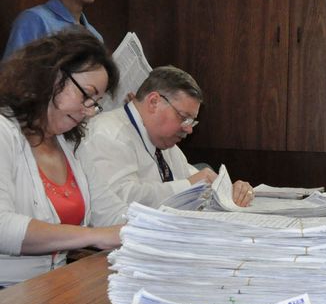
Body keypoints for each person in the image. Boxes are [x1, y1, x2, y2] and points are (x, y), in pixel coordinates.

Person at [0, 30, 127, 285]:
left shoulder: (71, 144)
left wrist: (164, 227)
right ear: (52, 76)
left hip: (54, 287)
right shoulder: (4, 131)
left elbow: (111, 213)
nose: (90, 112)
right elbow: (3, 227)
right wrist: (92, 236)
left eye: (96, 102)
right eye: (86, 95)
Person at [77, 66, 254, 208]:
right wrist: (189, 185)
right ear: (154, 102)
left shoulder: (165, 143)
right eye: (183, 117)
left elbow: (200, 178)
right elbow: (119, 200)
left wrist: (231, 189)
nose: (189, 129)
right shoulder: (107, 133)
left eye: (191, 121)